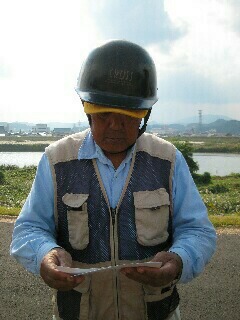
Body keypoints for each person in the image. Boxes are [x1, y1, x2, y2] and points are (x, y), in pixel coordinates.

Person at [10, 40, 216, 320]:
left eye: (128, 116)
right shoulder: (57, 160)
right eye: (104, 114)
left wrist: (179, 259)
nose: (115, 126)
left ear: (145, 115)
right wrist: (45, 254)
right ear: (86, 109)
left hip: (155, 311)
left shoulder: (167, 160)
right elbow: (29, 228)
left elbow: (198, 230)